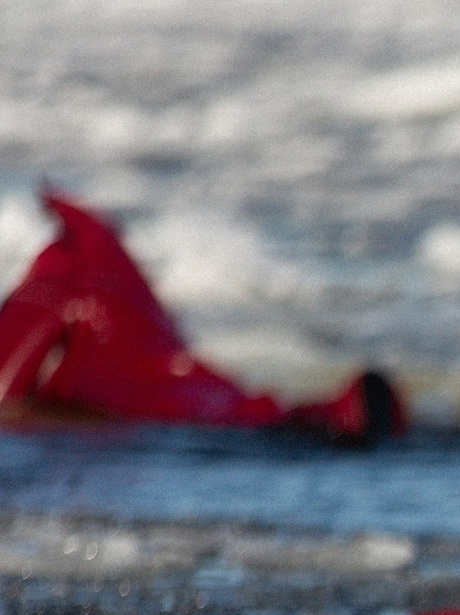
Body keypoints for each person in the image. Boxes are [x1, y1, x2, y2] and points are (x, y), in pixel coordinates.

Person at [0, 191, 402, 445]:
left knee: (204, 407)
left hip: (130, 369)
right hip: (151, 352)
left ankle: (335, 413)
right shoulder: (82, 253)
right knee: (217, 398)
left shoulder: (60, 268)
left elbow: (6, 391)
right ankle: (335, 412)